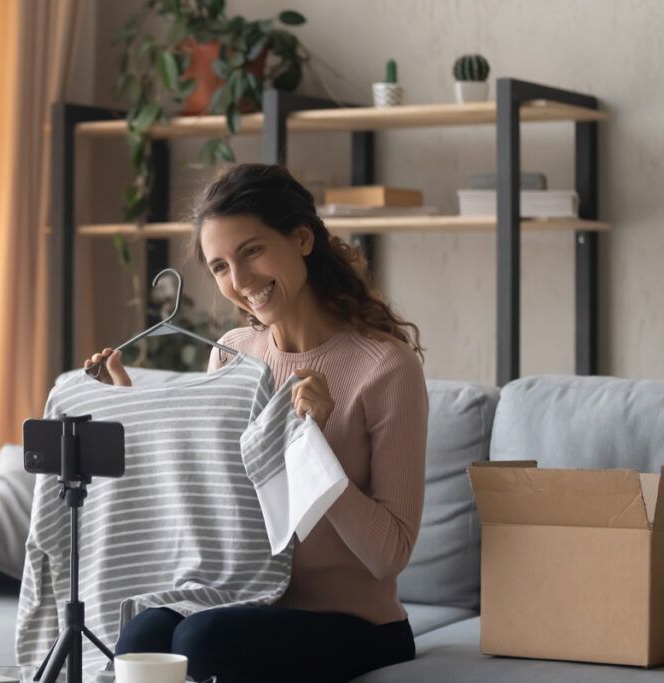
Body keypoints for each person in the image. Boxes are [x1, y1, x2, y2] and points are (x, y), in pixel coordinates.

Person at [83, 163, 428, 683]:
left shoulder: (386, 367)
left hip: (358, 624)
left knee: (202, 640)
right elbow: (208, 502)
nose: (239, 282)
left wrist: (314, 448)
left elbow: (389, 557)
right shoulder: (232, 355)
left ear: (302, 238)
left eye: (251, 251)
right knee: (143, 633)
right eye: (220, 267)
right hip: (244, 602)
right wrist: (133, 413)